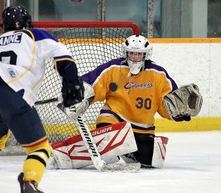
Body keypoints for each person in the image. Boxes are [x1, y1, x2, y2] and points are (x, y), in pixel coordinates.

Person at [0, 5, 84, 193]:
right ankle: (29, 185)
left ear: (4, 26)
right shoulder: (36, 34)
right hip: (13, 95)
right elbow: (64, 60)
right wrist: (72, 87)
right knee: (39, 147)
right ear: (28, 23)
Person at [53, 34, 202, 169]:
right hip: (114, 121)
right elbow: (92, 82)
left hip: (143, 128)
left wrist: (179, 111)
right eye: (132, 53)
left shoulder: (159, 74)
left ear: (146, 55)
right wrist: (75, 94)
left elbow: (167, 106)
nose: (135, 57)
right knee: (110, 144)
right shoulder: (113, 68)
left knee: (151, 160)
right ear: (126, 53)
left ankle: (126, 150)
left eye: (139, 54)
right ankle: (66, 152)